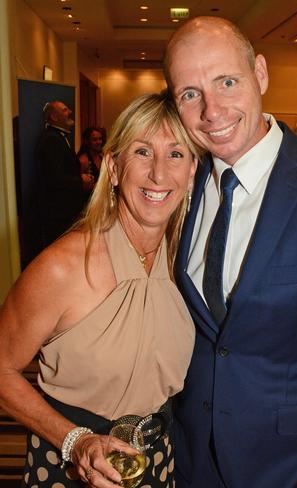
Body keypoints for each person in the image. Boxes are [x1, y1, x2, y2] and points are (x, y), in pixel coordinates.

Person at [164, 16, 297, 488]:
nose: (211, 111)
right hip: (190, 462)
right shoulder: (177, 187)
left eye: (227, 82)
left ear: (260, 73)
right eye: (190, 93)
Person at [0, 92, 199, 488]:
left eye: (176, 154)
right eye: (142, 152)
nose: (159, 174)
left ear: (193, 168)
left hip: (157, 458)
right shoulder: (62, 266)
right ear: (113, 165)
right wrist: (76, 441)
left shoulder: (187, 264)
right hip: (70, 464)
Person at [37, 101, 94, 250]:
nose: (69, 111)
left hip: (63, 212)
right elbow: (53, 179)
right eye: (65, 110)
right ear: (54, 117)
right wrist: (80, 181)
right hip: (58, 214)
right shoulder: (51, 139)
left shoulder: (57, 137)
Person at [77, 126, 104, 200]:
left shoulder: (102, 157)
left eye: (100, 139)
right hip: (88, 202)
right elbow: (79, 187)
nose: (98, 142)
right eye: (95, 140)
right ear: (87, 141)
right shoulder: (83, 160)